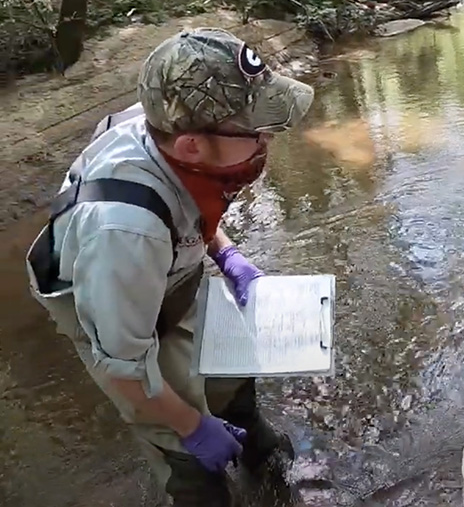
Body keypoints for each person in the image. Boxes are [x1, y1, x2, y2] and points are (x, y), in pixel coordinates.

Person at [25, 27, 315, 507]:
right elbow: (123, 366)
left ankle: (256, 443)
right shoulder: (123, 233)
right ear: (191, 148)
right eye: (255, 132)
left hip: (167, 273)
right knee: (180, 442)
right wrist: (194, 427)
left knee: (232, 364)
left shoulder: (167, 118)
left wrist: (226, 252)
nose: (266, 141)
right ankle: (198, 486)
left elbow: (184, 205)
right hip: (116, 310)